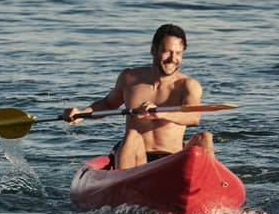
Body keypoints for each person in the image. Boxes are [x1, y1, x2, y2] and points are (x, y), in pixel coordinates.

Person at [62, 23, 216, 170]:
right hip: (137, 156)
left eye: (178, 53)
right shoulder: (129, 78)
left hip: (172, 156)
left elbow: (193, 116)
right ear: (153, 50)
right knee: (132, 135)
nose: (172, 58)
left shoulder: (188, 85)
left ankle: (208, 186)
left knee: (205, 137)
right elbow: (109, 104)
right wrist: (80, 114)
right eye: (167, 51)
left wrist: (159, 113)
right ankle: (121, 183)